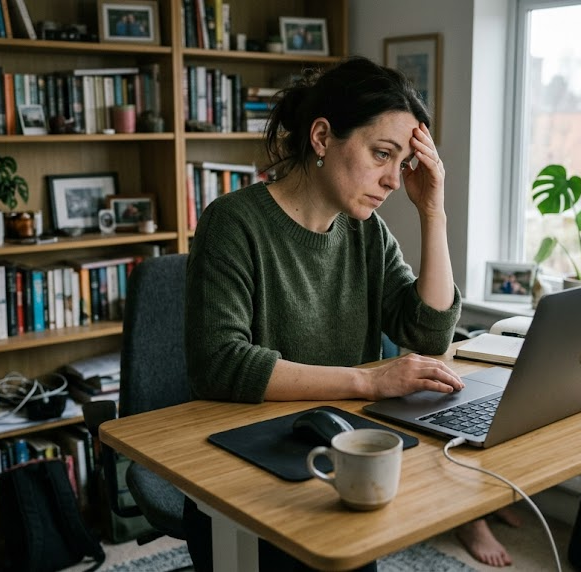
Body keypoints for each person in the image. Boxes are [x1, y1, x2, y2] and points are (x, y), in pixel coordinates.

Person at [183, 55, 511, 570]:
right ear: (321, 137)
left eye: (402, 164)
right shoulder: (233, 223)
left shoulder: (366, 231)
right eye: (382, 154)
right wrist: (371, 382)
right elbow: (220, 364)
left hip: (342, 455)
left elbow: (426, 332)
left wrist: (434, 213)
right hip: (249, 475)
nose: (393, 181)